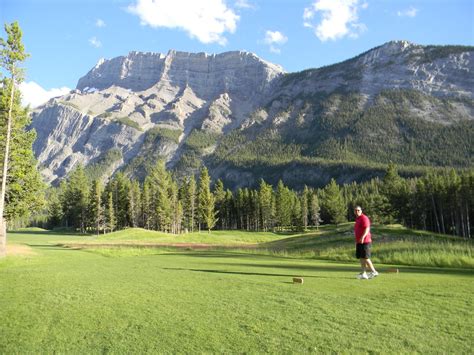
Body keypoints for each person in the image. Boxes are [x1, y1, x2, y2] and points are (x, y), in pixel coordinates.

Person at [354, 206, 378, 279]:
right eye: (355, 210)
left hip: (365, 241)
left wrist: (362, 237)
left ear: (361, 211)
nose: (357, 212)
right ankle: (363, 273)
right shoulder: (357, 219)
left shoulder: (364, 218)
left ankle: (374, 271)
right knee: (361, 257)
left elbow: (367, 229)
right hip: (359, 241)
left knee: (366, 257)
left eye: (358, 210)